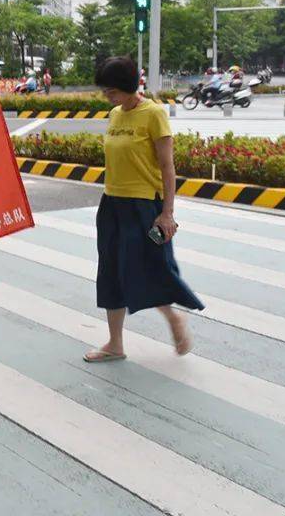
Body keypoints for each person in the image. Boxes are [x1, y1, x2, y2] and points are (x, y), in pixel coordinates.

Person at [83, 57, 204, 364]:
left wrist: (167, 213)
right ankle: (115, 343)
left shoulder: (154, 114)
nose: (108, 97)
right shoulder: (114, 114)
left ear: (128, 86)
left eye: (112, 91)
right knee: (110, 271)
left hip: (143, 206)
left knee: (148, 267)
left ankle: (174, 319)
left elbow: (167, 166)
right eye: (105, 91)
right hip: (112, 203)